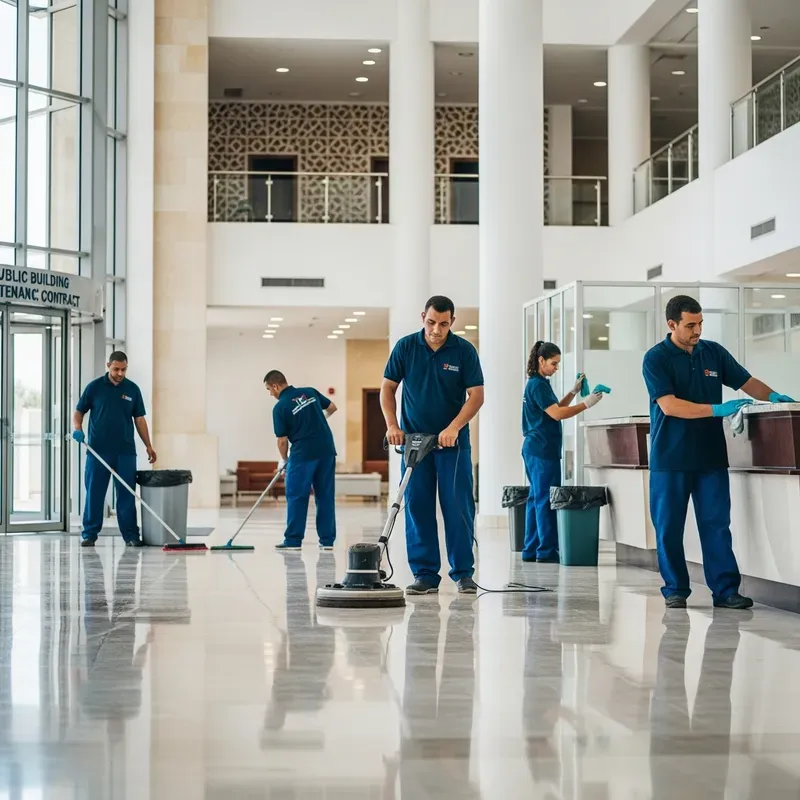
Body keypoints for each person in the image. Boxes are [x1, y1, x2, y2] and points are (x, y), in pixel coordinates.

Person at [642, 295, 795, 610]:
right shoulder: (656, 358)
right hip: (670, 458)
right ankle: (675, 589)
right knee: (669, 527)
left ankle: (725, 591)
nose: (697, 330)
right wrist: (717, 409)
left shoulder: (713, 353)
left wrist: (775, 396)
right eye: (690, 325)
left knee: (716, 524)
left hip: (710, 456)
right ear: (672, 325)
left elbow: (746, 381)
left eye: (700, 323)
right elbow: (668, 405)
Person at [381, 295, 484, 595]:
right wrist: (392, 425)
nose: (436, 330)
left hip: (452, 445)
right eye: (430, 322)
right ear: (422, 316)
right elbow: (387, 388)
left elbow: (476, 395)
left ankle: (463, 573)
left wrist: (454, 427)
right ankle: (425, 574)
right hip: (414, 443)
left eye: (442, 323)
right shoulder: (406, 347)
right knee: (417, 507)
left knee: (458, 507)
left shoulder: (464, 351)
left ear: (452, 321)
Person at [522, 341, 604, 563]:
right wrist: (586, 404)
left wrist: (573, 392)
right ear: (541, 361)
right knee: (545, 500)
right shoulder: (538, 385)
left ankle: (531, 549)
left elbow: (554, 407)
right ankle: (546, 551)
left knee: (535, 499)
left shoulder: (539, 383)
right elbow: (557, 414)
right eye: (553, 363)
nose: (556, 368)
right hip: (542, 450)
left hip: (535, 448)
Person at [72, 351, 156, 548]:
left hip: (125, 451)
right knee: (94, 493)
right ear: (108, 365)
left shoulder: (132, 389)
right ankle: (89, 534)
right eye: (116, 369)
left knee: (126, 493)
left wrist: (148, 446)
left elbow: (139, 419)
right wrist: (78, 429)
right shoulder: (94, 387)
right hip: (97, 451)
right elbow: (79, 411)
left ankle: (130, 536)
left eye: (123, 369)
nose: (120, 373)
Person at [265, 370, 338, 550]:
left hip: (303, 454)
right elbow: (332, 407)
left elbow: (282, 440)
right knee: (325, 496)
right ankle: (327, 541)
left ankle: (293, 541)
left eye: (269, 389)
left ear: (275, 385)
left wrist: (283, 460)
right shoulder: (310, 392)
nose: (270, 394)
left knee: (297, 496)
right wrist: (318, 422)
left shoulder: (280, 407)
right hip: (326, 449)